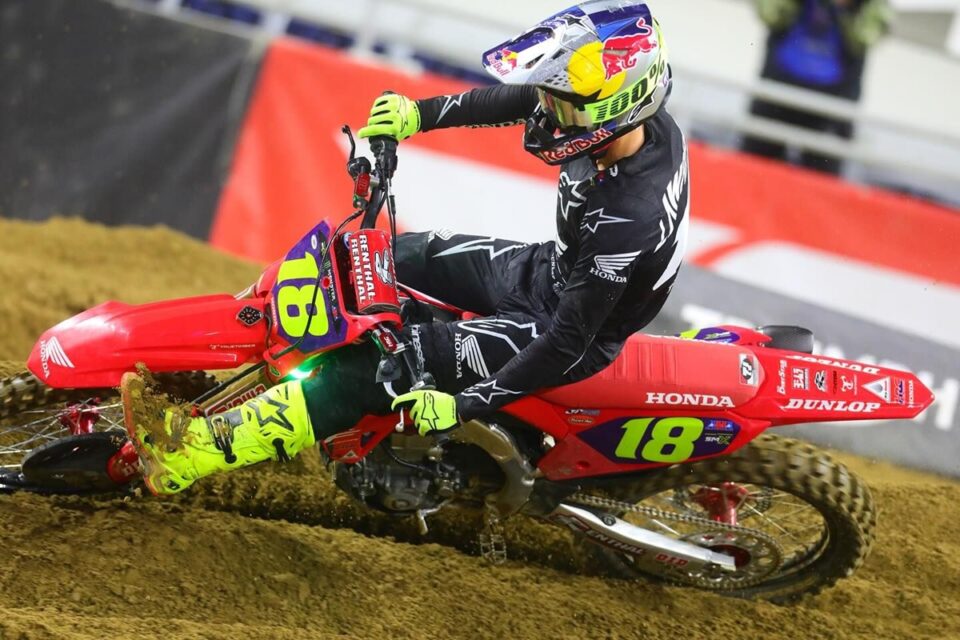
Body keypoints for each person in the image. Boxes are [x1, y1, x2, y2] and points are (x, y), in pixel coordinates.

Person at [121, 0, 690, 496]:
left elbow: (567, 340)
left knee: (374, 370)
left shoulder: (629, 217)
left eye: (564, 108)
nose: (549, 116)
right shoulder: (635, 123)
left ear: (620, 108)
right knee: (376, 262)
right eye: (552, 100)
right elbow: (522, 100)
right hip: (547, 271)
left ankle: (193, 454)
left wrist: (463, 405)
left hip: (562, 328)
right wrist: (421, 115)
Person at [742, 0, 890, 175]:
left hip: (832, 108)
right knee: (752, 171)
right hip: (777, 94)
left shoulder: (874, 6)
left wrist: (849, 7)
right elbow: (769, 14)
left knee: (821, 179)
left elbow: (866, 38)